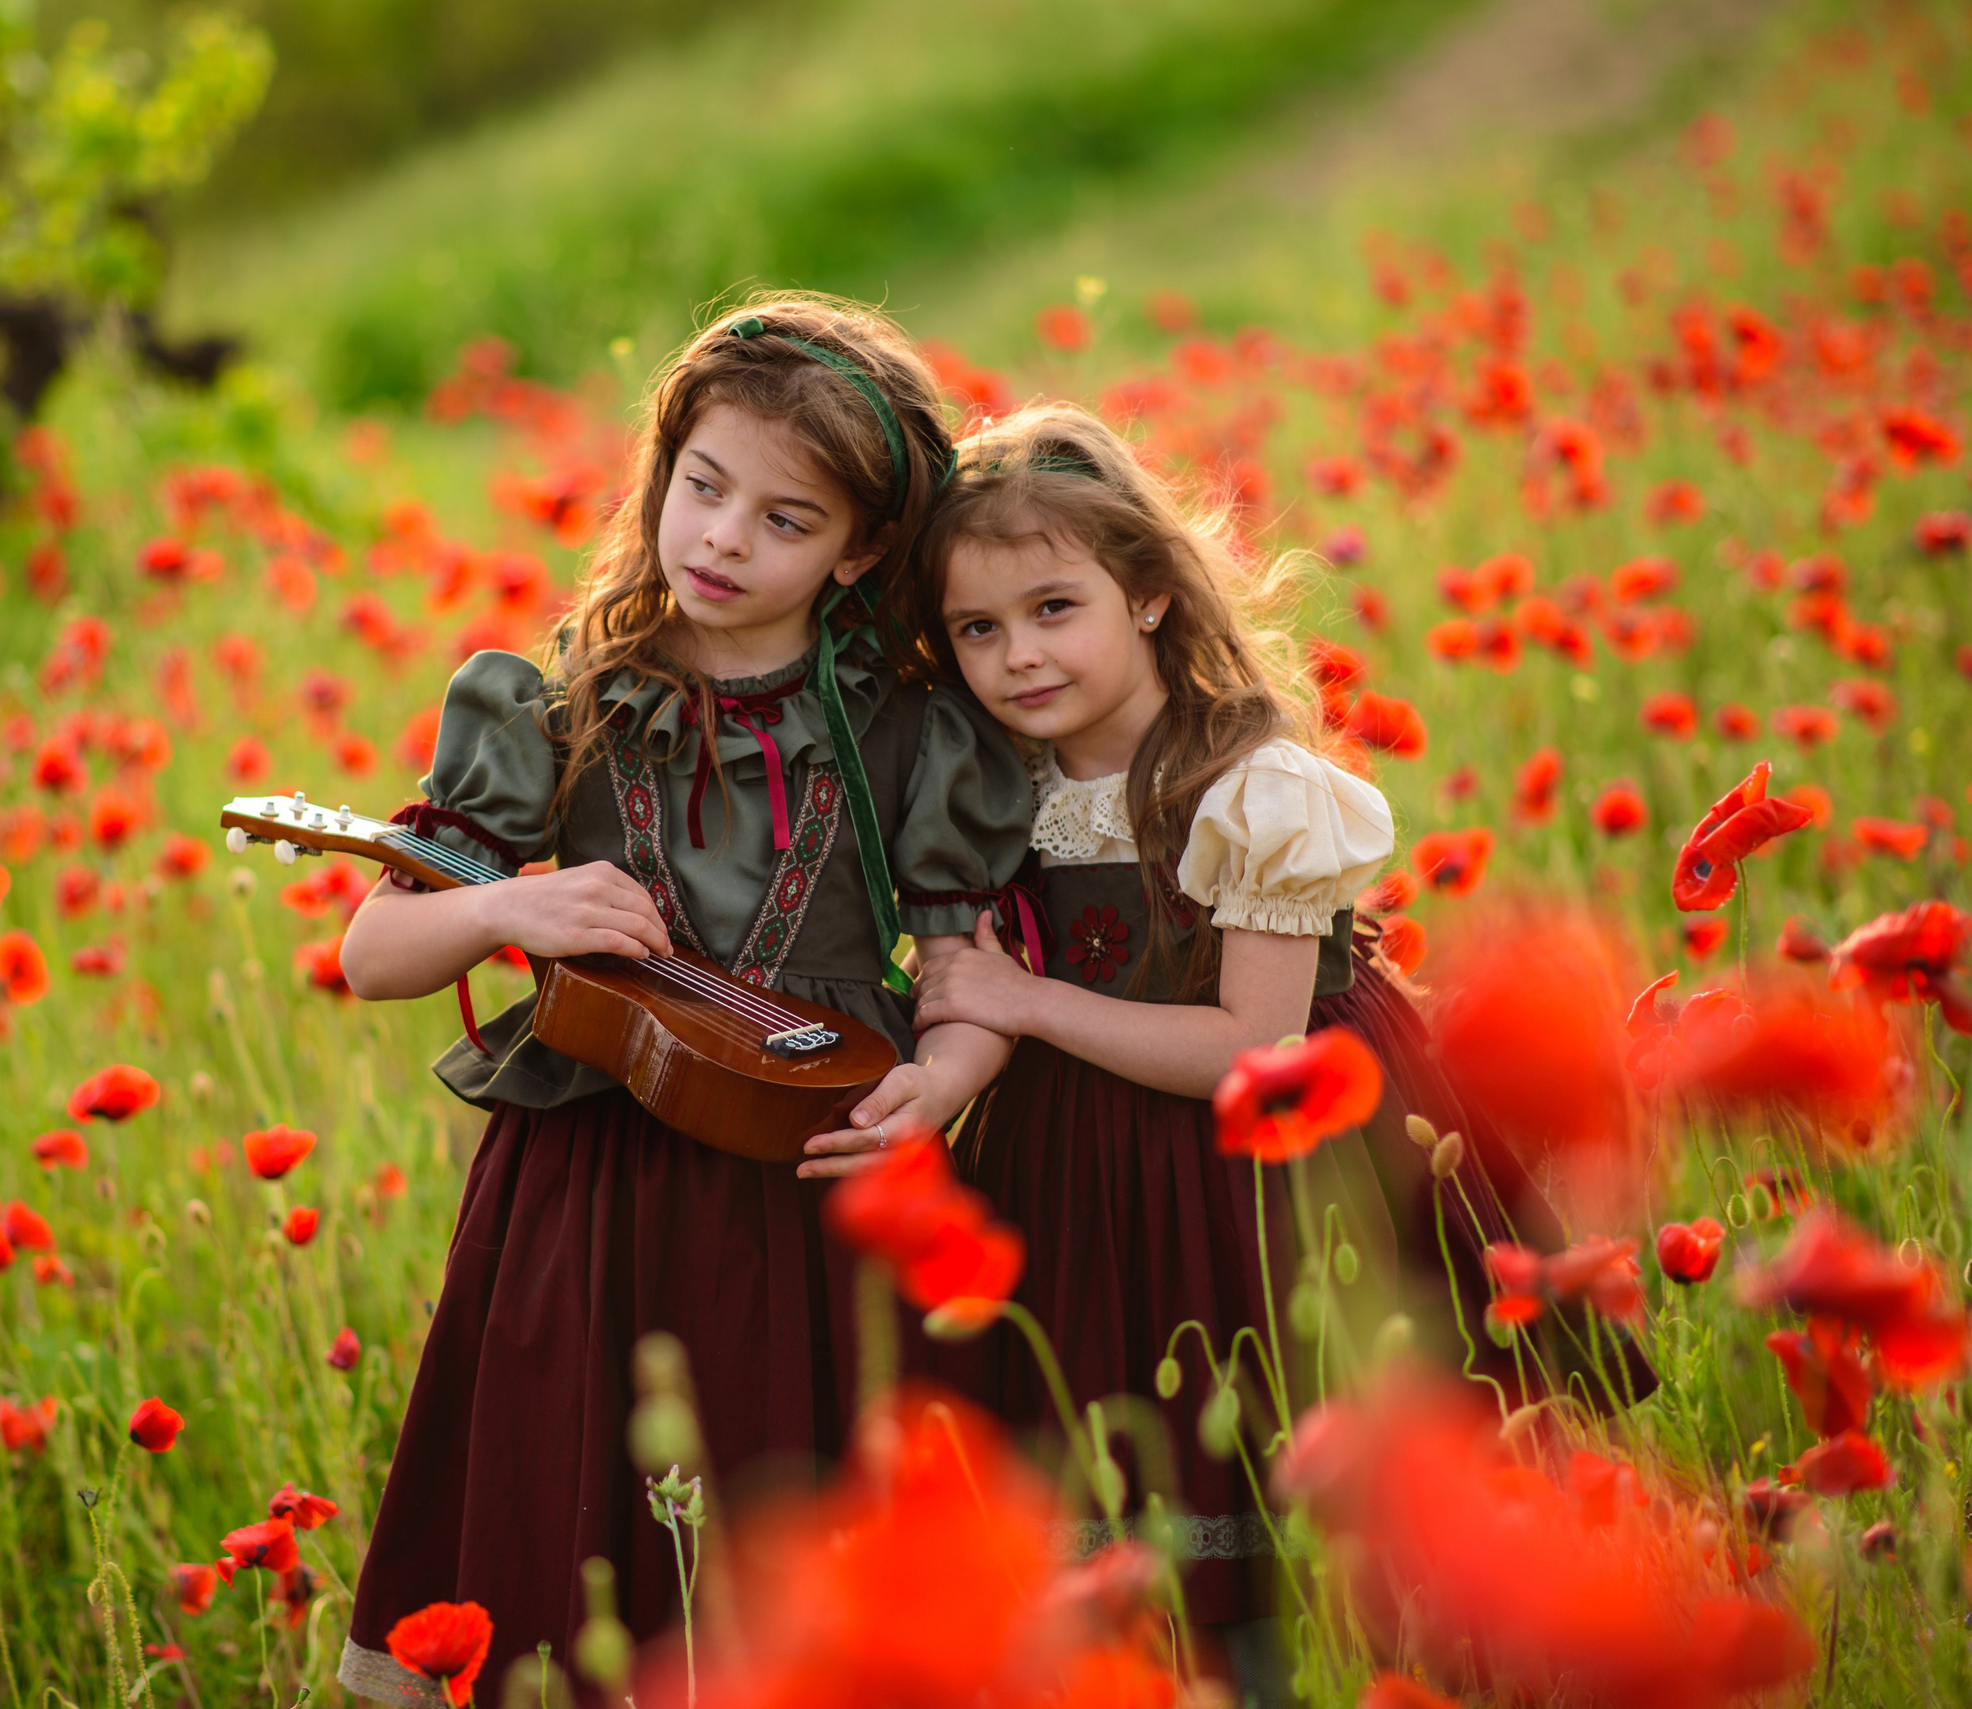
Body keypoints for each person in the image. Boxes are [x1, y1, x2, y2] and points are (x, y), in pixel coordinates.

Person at [333, 296, 1032, 1706]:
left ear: (863, 548)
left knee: (789, 1542)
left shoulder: (912, 726)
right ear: (662, 469)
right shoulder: (559, 698)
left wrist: (943, 1079)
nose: (722, 537)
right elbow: (373, 954)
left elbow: (968, 979)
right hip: (589, 1198)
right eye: (703, 488)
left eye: (785, 519)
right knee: (581, 1542)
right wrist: (506, 905)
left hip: (812, 1190)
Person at [901, 401, 1550, 1706]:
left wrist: (1025, 1003)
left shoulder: (1251, 785)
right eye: (978, 628)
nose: (1016, 655)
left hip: (1282, 1162)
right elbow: (970, 983)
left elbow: (1251, 1046)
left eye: (1050, 607)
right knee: (1134, 1500)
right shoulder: (995, 786)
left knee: (1324, 1471)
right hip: (1081, 1173)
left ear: (1144, 592)